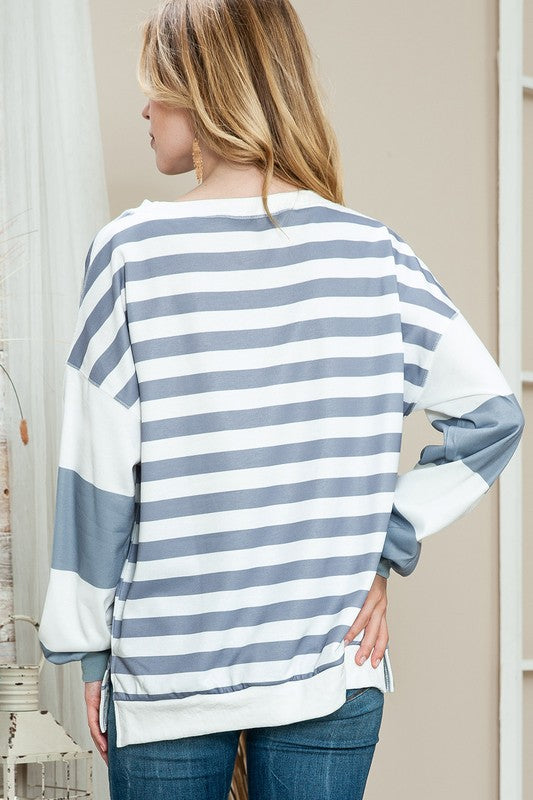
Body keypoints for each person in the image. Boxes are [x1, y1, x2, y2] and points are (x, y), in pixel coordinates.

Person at [37, 1, 525, 798]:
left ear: (204, 90)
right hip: (334, 661)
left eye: (156, 87)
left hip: (168, 671)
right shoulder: (373, 252)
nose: (145, 109)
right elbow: (493, 416)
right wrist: (382, 544)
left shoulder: (131, 253)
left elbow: (97, 475)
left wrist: (88, 646)